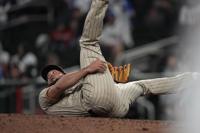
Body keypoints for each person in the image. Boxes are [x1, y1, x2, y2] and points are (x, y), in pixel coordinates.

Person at [39, 0, 198, 118]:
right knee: (88, 42)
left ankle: (192, 79)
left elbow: (82, 82)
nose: (50, 74)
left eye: (53, 71)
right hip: (96, 102)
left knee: (141, 85)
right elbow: (58, 89)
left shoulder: (75, 81)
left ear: (63, 72)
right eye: (48, 76)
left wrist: (109, 79)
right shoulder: (44, 98)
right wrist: (88, 69)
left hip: (117, 105)